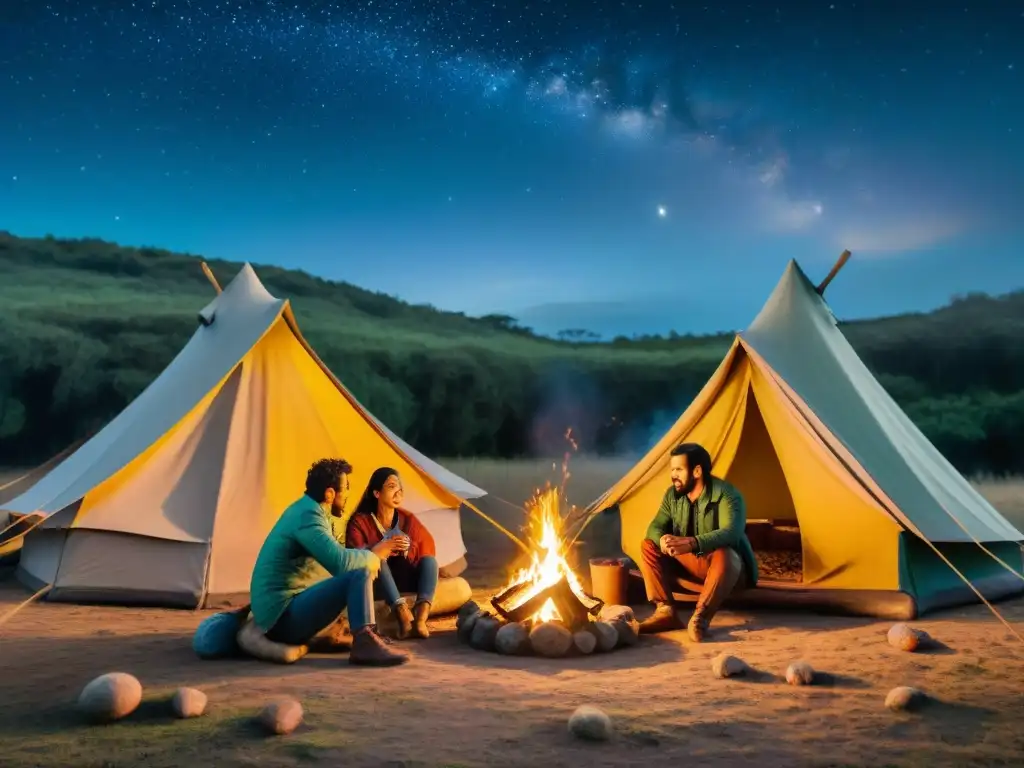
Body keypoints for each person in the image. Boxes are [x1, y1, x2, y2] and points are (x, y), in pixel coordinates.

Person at [249, 458, 408, 666]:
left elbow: (341, 553)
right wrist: (375, 554)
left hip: (286, 608)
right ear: (330, 494)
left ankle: (365, 635)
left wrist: (369, 553)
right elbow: (340, 562)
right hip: (280, 618)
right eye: (347, 488)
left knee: (359, 565)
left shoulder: (314, 512)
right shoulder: (308, 517)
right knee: (359, 572)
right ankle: (364, 642)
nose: (349, 494)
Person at [637, 442, 759, 642]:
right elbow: (655, 526)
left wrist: (692, 543)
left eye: (678, 469)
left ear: (697, 471)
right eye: (672, 469)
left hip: (730, 572)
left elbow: (732, 533)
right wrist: (663, 540)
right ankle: (665, 612)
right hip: (695, 565)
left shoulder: (727, 494)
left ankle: (700, 618)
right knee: (648, 544)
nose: (673, 475)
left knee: (725, 553)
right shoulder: (672, 495)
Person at [346, 467, 439, 640]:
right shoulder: (359, 522)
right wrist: (382, 548)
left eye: (400, 487)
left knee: (430, 561)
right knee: (376, 559)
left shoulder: (407, 518)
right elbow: (355, 556)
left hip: (403, 578)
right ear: (376, 493)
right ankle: (402, 614)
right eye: (391, 486)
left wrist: (407, 548)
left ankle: (420, 619)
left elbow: (427, 545)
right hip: (377, 583)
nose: (399, 491)